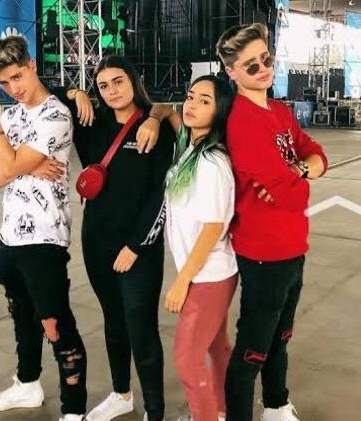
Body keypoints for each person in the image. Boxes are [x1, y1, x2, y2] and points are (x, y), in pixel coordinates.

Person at [216, 24, 328, 421]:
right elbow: (290, 194)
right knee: (253, 349)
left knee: (281, 336)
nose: (263, 69)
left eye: (266, 59)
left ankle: (276, 404)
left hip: (294, 245)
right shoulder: (242, 120)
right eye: (251, 65)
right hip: (264, 252)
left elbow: (317, 154)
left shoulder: (280, 111)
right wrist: (300, 176)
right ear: (231, 71)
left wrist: (298, 170)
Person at [55, 55, 175, 421]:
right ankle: (121, 394)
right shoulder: (93, 122)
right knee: (113, 322)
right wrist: (75, 93)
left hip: (139, 249)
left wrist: (136, 246)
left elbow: (161, 196)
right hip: (97, 243)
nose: (112, 91)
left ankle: (155, 411)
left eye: (118, 81)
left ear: (134, 81)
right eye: (103, 85)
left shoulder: (155, 128)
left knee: (142, 329)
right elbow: (46, 93)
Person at [0, 36, 87, 421]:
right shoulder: (12, 117)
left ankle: (74, 410)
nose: (13, 88)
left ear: (32, 65)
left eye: (17, 76)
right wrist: (26, 164)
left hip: (44, 235)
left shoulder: (54, 115)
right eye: (3, 83)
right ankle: (27, 384)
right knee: (23, 316)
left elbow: (6, 166)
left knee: (55, 323)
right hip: (10, 235)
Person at [163, 75, 238, 421]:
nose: (191, 104)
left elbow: (212, 228)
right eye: (191, 96)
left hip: (208, 275)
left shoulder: (211, 163)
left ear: (219, 111)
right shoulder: (192, 148)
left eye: (204, 101)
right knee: (217, 348)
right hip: (208, 272)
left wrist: (182, 282)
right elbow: (171, 115)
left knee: (187, 359)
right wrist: (161, 114)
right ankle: (221, 410)